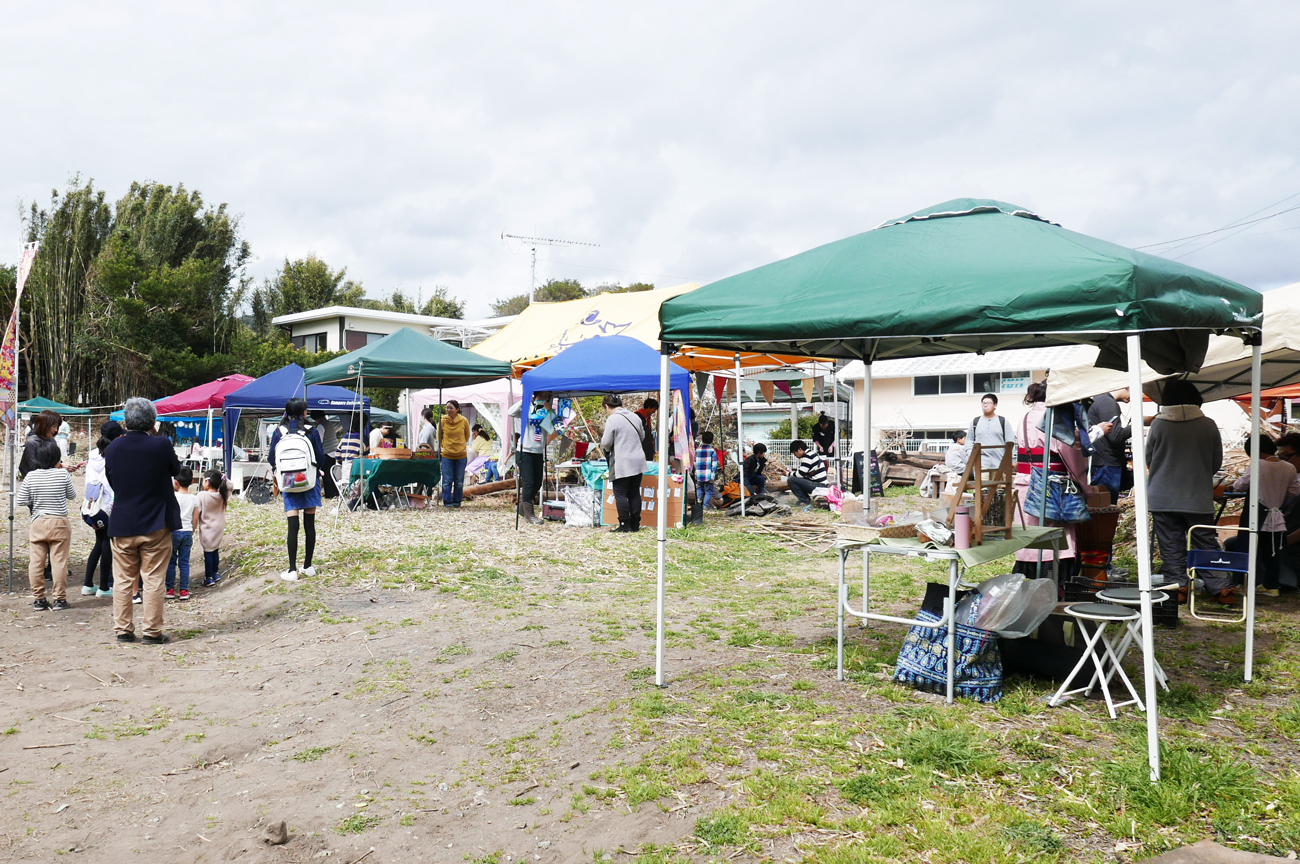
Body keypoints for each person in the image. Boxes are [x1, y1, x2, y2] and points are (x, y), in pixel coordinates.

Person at [106, 397, 183, 644]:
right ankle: (152, 632)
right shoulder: (161, 445)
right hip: (156, 522)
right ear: (153, 422)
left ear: (126, 422)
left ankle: (123, 630)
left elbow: (112, 480)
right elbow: (176, 469)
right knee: (153, 578)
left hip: (123, 521)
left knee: (123, 580)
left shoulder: (113, 448)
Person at [1147, 379, 1225, 604]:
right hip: (1197, 497)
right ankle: (1222, 589)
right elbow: (1215, 463)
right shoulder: (1208, 424)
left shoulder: (1158, 425)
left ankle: (1178, 587)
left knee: (1171, 545)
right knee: (1206, 543)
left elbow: (1149, 459)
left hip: (1162, 497)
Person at [1011, 381, 1089, 581]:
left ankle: (1027, 581)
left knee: (1030, 537)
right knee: (1052, 540)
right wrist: (1084, 485)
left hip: (1026, 482)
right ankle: (1052, 585)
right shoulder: (1056, 418)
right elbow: (1071, 455)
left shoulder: (1026, 417)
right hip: (1051, 486)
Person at [1225, 436, 1299, 598]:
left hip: (1256, 515)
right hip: (1275, 516)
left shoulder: (1258, 465)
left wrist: (1231, 485)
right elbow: (1294, 491)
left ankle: (1240, 581)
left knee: (1245, 547)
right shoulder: (1288, 468)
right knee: (1271, 552)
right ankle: (1271, 586)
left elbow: (1242, 484)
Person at [269, 398, 327, 581]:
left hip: (288, 482)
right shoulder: (312, 431)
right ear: (304, 412)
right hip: (309, 480)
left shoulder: (279, 432)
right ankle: (308, 566)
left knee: (292, 526)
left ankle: (292, 569)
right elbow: (320, 458)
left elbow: (272, 459)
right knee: (309, 524)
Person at [18, 438, 76, 611]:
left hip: (38, 522)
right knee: (59, 561)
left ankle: (39, 599)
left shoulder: (31, 475)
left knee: (36, 563)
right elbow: (72, 495)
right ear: (56, 458)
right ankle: (59, 599)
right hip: (59, 521)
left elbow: (21, 500)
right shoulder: (63, 474)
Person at [81, 421, 123, 598]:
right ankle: (104, 587)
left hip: (92, 506)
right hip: (108, 505)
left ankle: (88, 584)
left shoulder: (93, 455)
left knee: (99, 543)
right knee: (107, 544)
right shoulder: (115, 454)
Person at [601, 394, 648, 532]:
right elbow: (642, 436)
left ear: (607, 406)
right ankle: (635, 524)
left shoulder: (612, 419)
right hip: (638, 460)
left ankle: (624, 525)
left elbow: (606, 442)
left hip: (621, 461)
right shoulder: (634, 416)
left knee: (620, 493)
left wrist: (610, 448)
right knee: (634, 492)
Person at [1087, 388, 1133, 504]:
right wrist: (1137, 423)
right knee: (1106, 508)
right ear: (1126, 386)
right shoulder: (1108, 403)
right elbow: (1115, 436)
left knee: (1098, 507)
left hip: (1099, 462)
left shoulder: (1098, 399)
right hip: (1106, 465)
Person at [517, 392, 555, 525]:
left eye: (546, 396)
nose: (544, 398)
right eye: (541, 395)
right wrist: (525, 401)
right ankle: (529, 515)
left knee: (538, 482)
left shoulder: (548, 411)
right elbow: (511, 412)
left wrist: (549, 410)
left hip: (539, 451)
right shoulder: (527, 409)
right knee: (528, 482)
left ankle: (522, 507)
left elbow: (555, 427)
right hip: (525, 450)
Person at [165, 467, 198, 600]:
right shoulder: (194, 498)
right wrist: (192, 530)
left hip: (174, 531)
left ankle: (170, 589)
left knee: (171, 562)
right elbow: (195, 518)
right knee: (184, 562)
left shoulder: (172, 497)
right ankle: (184, 590)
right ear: (191, 482)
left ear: (176, 482)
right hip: (187, 532)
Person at [194, 469, 229, 587]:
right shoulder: (222, 494)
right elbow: (231, 486)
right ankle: (215, 573)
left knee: (208, 552)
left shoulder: (201, 495)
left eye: (203, 480)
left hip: (207, 529)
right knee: (215, 550)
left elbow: (196, 512)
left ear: (207, 482)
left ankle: (208, 577)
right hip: (218, 528)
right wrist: (224, 478)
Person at [438, 399, 471, 507]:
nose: (448, 410)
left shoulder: (463, 420)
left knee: (459, 481)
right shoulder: (442, 420)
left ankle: (457, 502)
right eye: (447, 407)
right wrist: (444, 446)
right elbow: (439, 436)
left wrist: (460, 445)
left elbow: (467, 435)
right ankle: (447, 502)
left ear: (457, 409)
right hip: (447, 455)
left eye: (451, 408)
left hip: (461, 455)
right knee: (447, 480)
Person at [968, 393, 1012, 471]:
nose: (985, 405)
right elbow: (969, 440)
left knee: (999, 483)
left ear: (995, 405)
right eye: (983, 403)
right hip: (981, 464)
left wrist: (1007, 459)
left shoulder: (1003, 421)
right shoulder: (975, 421)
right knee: (982, 483)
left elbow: (1010, 441)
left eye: (988, 403)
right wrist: (970, 454)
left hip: (1000, 463)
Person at [19, 409, 61, 478]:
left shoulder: (52, 441)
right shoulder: (31, 443)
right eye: (53, 426)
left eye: (57, 427)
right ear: (44, 425)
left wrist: (62, 465)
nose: (55, 430)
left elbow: (55, 461)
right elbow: (33, 467)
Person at [787, 439, 827, 509]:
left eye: (794, 453)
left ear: (799, 449)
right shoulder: (811, 454)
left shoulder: (807, 456)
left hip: (819, 485)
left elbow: (800, 474)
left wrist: (787, 473)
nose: (795, 455)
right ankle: (805, 499)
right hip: (821, 484)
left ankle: (804, 500)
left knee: (791, 480)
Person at [310, 412, 340, 499]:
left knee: (326, 474)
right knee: (331, 473)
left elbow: (319, 440)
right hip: (334, 451)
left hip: (327, 451)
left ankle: (329, 494)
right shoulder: (329, 423)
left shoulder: (320, 426)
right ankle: (335, 492)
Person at [694, 431, 720, 511]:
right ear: (712, 441)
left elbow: (694, 462)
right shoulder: (712, 451)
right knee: (709, 491)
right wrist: (713, 475)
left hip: (699, 474)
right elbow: (714, 464)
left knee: (700, 489)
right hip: (709, 475)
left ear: (701, 439)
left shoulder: (697, 450)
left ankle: (698, 501)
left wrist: (695, 472)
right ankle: (705, 506)